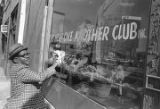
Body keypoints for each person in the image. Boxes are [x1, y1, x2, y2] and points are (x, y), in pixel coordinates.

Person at [4, 43, 58, 109]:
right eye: (24, 55)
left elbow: (31, 80)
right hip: (23, 106)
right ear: (16, 59)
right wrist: (53, 68)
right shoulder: (20, 70)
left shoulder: (16, 68)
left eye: (27, 54)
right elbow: (40, 77)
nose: (27, 56)